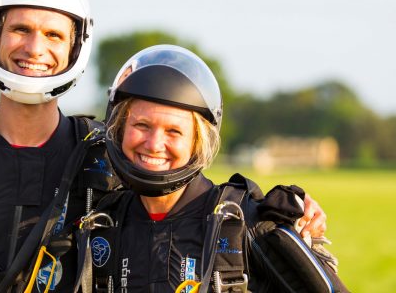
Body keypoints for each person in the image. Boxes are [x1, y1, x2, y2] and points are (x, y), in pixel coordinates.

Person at [0, 0, 326, 293]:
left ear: (75, 46)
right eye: (21, 29)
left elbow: (188, 203)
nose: (34, 47)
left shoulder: (106, 157)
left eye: (53, 35)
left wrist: (278, 215)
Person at [87, 44, 345, 292]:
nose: (154, 144)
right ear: (118, 127)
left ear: (197, 142)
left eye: (174, 131)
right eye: (142, 125)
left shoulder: (244, 222)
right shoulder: (101, 222)